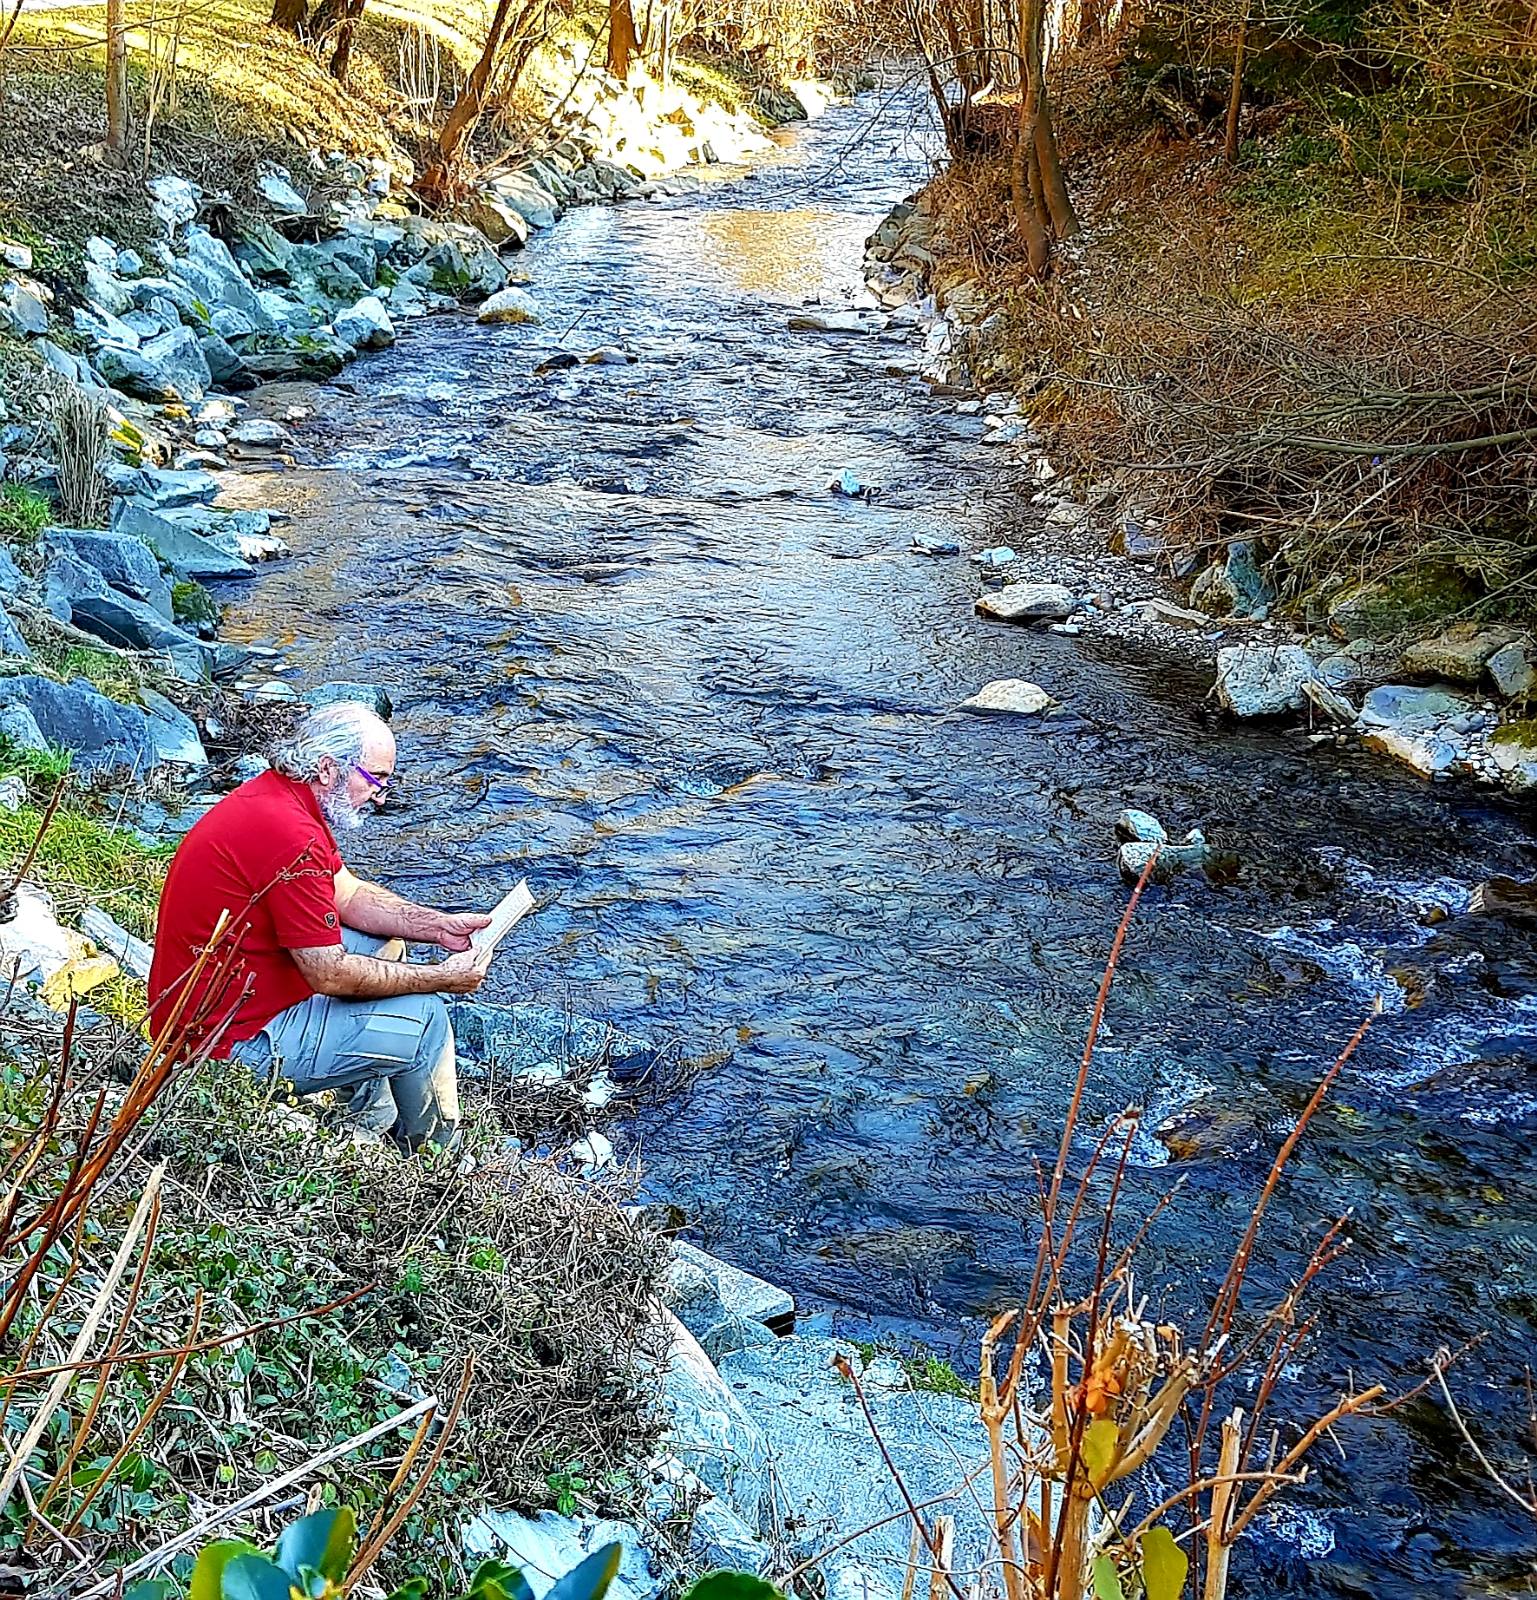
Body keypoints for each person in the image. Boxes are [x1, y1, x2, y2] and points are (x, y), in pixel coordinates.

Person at [148, 701, 489, 1151]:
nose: (381, 797)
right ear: (328, 769)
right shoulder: (293, 836)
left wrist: (438, 926)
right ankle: (434, 1158)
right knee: (427, 1020)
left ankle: (365, 1118)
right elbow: (328, 974)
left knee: (384, 944)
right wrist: (441, 978)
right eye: (374, 779)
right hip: (225, 1047)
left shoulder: (279, 797)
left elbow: (346, 894)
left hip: (212, 1011)